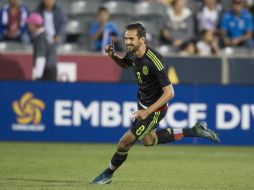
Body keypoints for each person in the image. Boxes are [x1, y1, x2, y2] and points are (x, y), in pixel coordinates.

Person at [90, 23, 220, 185]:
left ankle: (107, 174)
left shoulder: (155, 61)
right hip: (143, 102)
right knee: (149, 140)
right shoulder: (133, 53)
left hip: (155, 108)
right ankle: (193, 130)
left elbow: (170, 93)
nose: (127, 42)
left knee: (124, 143)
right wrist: (113, 55)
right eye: (126, 38)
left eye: (131, 39)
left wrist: (148, 112)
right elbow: (125, 64)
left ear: (142, 40)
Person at [27, 13, 57, 81]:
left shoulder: (40, 38)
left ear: (34, 25)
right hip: (52, 69)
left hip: (45, 71)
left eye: (29, 24)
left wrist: (38, 76)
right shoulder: (47, 35)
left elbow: (41, 57)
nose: (28, 26)